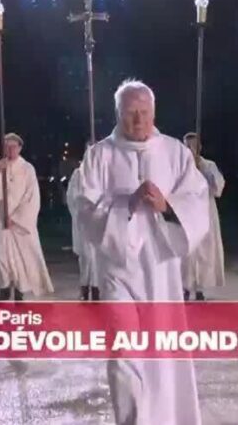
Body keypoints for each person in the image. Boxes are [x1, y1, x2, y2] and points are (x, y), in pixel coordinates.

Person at [72, 79, 210, 425]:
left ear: (154, 112)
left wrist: (167, 206)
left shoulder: (175, 152)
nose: (138, 121)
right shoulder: (100, 155)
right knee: (124, 353)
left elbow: (196, 198)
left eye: (144, 113)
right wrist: (127, 204)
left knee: (162, 353)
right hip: (118, 272)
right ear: (118, 114)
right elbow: (84, 206)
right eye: (131, 114)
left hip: (160, 271)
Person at [0, 133, 53, 301]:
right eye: (7, 146)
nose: (10, 150)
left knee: (20, 256)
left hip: (19, 221)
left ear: (20, 148)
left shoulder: (27, 169)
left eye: (14, 146)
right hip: (1, 218)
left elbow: (31, 197)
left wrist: (16, 218)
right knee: (1, 254)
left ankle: (20, 290)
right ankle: (4, 288)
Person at [181, 132, 225, 301]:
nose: (189, 149)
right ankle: (185, 287)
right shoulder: (180, 166)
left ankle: (199, 289)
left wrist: (203, 170)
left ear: (199, 147)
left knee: (204, 253)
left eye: (192, 146)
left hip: (206, 214)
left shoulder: (209, 165)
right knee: (187, 253)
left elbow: (218, 188)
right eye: (186, 146)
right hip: (187, 214)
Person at [66, 140, 99, 300]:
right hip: (84, 222)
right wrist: (82, 212)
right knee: (86, 257)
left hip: (101, 222)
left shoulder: (104, 172)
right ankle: (85, 288)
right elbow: (72, 197)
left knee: (99, 258)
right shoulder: (78, 175)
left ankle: (98, 289)